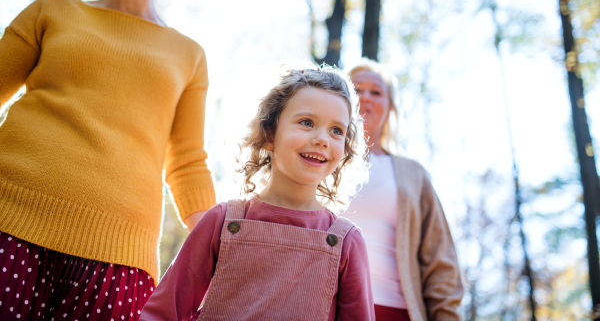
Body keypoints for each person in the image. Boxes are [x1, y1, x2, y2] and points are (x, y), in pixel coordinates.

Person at [0, 0, 215, 319]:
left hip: (119, 254)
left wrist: (219, 244)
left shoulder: (189, 55)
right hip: (9, 216)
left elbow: (186, 160)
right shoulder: (53, 9)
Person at [139, 68, 375, 321]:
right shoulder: (221, 222)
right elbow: (163, 313)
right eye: (306, 122)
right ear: (269, 134)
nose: (322, 139)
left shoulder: (346, 242)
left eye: (336, 130)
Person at [344, 60, 463, 321]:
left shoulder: (413, 174)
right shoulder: (317, 159)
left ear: (389, 107)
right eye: (356, 89)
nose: (365, 97)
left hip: (397, 310)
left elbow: (439, 256)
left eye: (376, 92)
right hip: (325, 308)